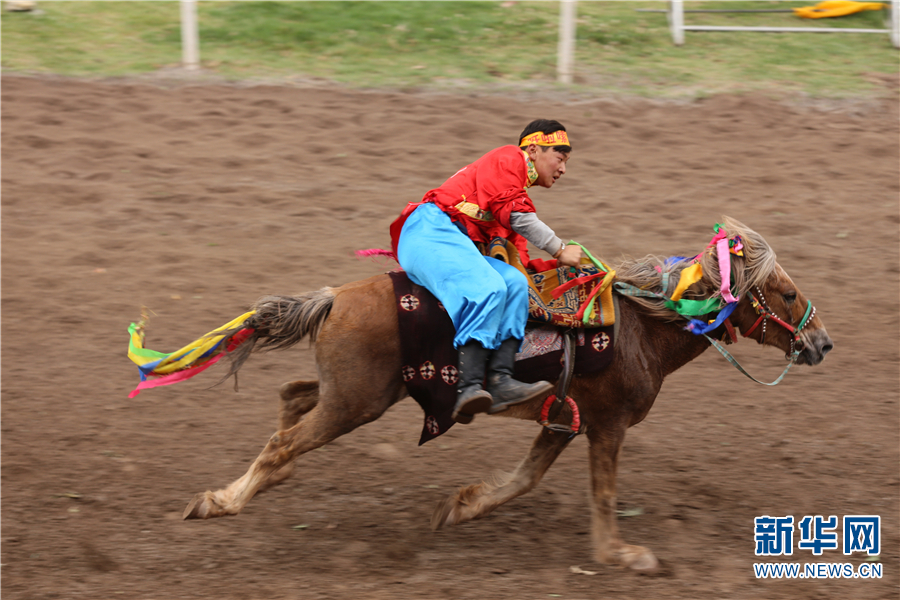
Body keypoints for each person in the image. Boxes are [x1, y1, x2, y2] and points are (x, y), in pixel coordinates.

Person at [390, 119, 583, 424]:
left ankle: (500, 380)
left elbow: (520, 260)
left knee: (516, 284)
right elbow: (520, 218)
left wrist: (557, 266)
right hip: (430, 232)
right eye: (559, 159)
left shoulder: (513, 193)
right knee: (489, 287)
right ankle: (468, 389)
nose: (562, 169)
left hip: (452, 241)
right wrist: (559, 249)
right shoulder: (508, 158)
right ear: (532, 150)